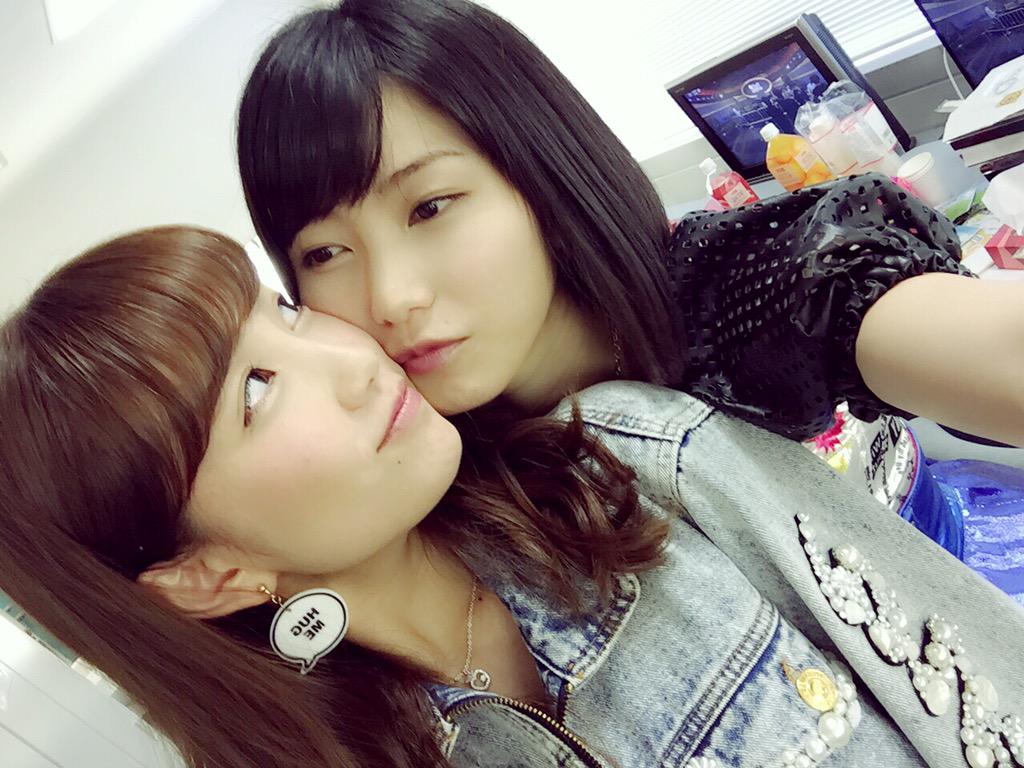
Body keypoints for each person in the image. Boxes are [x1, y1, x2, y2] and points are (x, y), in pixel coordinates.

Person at [2, 226, 1023, 768]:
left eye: (286, 312)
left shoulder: (628, 464)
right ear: (204, 576)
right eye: (256, 392)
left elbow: (985, 677)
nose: (354, 359)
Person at [236, 0, 1024, 594]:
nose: (391, 297)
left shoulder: (740, 287)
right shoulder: (420, 466)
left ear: (540, 172)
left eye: (430, 206)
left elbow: (975, 341)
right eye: (324, 253)